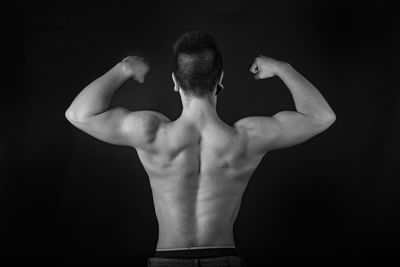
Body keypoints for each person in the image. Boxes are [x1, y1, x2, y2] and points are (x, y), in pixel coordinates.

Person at [65, 31, 336, 267]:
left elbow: (79, 114)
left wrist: (123, 68)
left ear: (175, 81)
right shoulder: (247, 137)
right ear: (220, 79)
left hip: (166, 260)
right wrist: (282, 68)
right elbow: (321, 116)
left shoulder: (151, 132)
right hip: (224, 257)